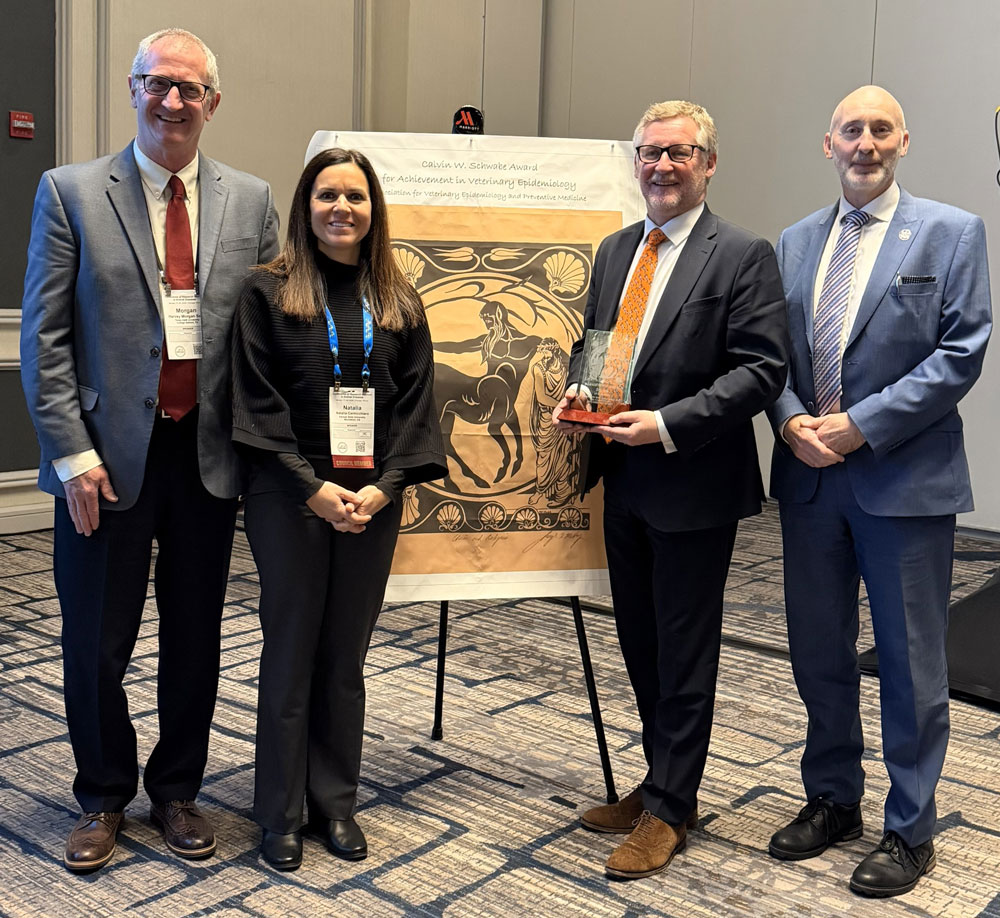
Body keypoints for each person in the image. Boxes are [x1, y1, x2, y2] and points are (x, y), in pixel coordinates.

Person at [19, 28, 278, 872]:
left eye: (190, 89)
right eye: (159, 84)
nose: (174, 102)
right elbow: (45, 338)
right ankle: (101, 795)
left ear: (213, 103)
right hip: (106, 461)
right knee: (96, 638)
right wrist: (70, 456)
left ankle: (176, 790)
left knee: (196, 636)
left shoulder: (251, 200)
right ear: (134, 90)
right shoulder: (69, 192)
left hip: (206, 458)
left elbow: (265, 339)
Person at [552, 100, 788, 880]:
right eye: (650, 153)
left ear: (708, 164)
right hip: (621, 479)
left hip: (692, 480)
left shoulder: (743, 254)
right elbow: (600, 347)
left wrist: (667, 423)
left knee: (685, 651)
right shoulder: (619, 247)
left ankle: (670, 809)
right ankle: (660, 784)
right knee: (641, 643)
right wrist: (578, 399)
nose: (661, 165)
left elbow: (760, 371)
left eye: (679, 153)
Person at [766, 85, 991, 898]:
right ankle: (833, 798)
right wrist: (791, 421)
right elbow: (771, 355)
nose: (865, 143)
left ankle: (911, 828)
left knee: (909, 662)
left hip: (903, 480)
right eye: (850, 130)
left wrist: (860, 425)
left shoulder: (952, 232)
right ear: (827, 144)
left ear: (904, 141)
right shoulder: (791, 243)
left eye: (880, 130)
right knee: (818, 653)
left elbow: (961, 351)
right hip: (810, 481)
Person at [231, 148, 446, 871]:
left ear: (372, 209)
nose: (342, 209)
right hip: (289, 496)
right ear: (306, 205)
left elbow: (418, 406)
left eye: (355, 196)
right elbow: (256, 404)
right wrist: (310, 487)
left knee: (345, 656)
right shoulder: (267, 293)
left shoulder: (399, 299)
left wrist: (384, 487)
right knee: (291, 648)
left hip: (372, 500)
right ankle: (280, 813)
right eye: (328, 195)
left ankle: (336, 803)